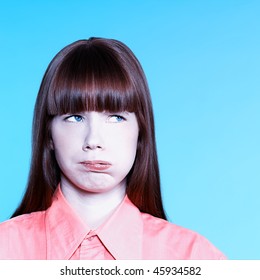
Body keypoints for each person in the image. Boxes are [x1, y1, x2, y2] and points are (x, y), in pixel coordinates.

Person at [0, 37, 226, 260]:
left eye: (116, 117)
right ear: (48, 133)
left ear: (141, 133)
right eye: (75, 117)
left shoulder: (195, 257)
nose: (94, 140)